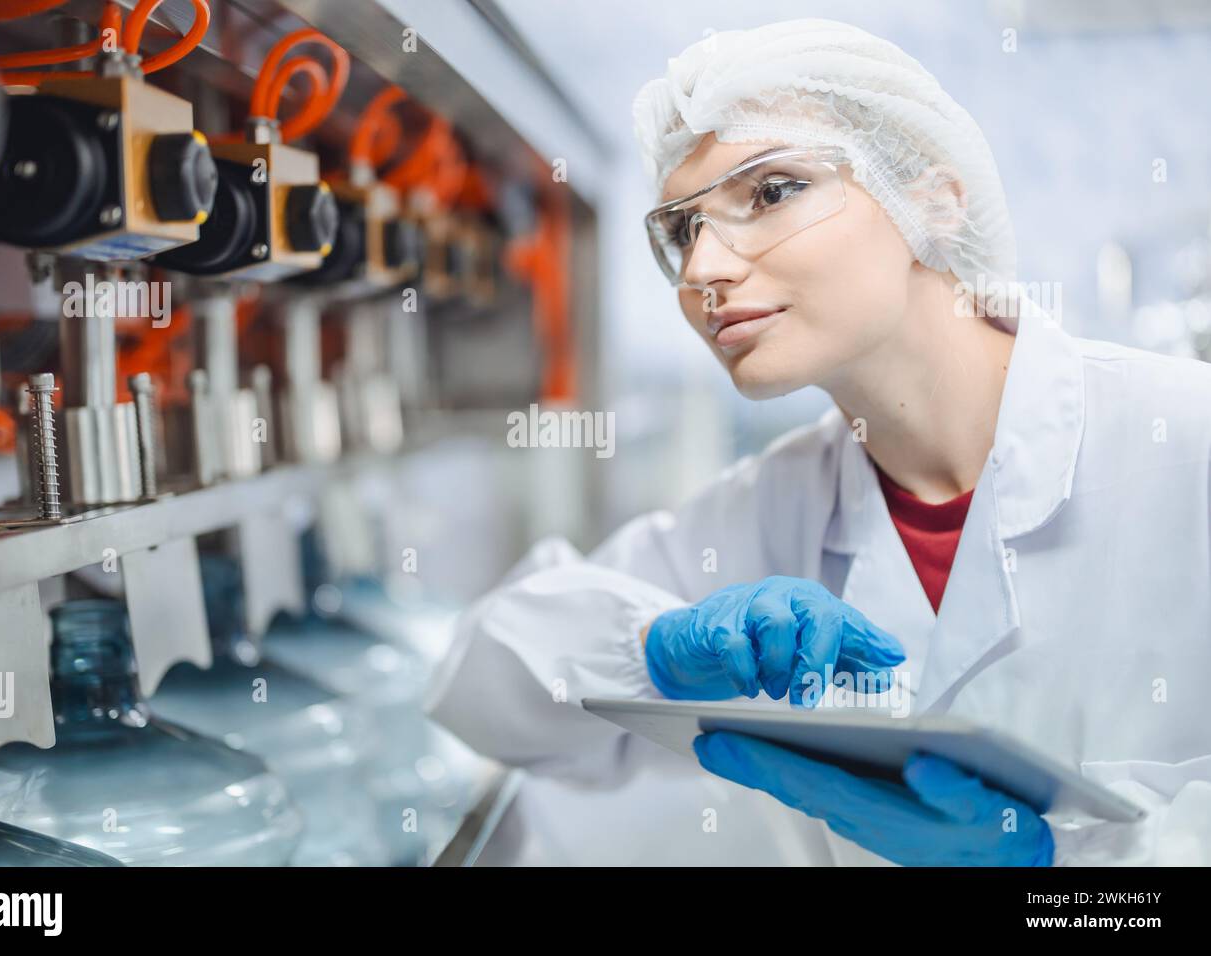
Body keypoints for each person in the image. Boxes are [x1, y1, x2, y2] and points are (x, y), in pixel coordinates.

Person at [425, 18, 1211, 866]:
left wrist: (1068, 875)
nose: (702, 273)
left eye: (769, 192)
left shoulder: (1183, 442)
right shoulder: (773, 504)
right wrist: (653, 651)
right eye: (684, 231)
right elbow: (481, 682)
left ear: (936, 200)